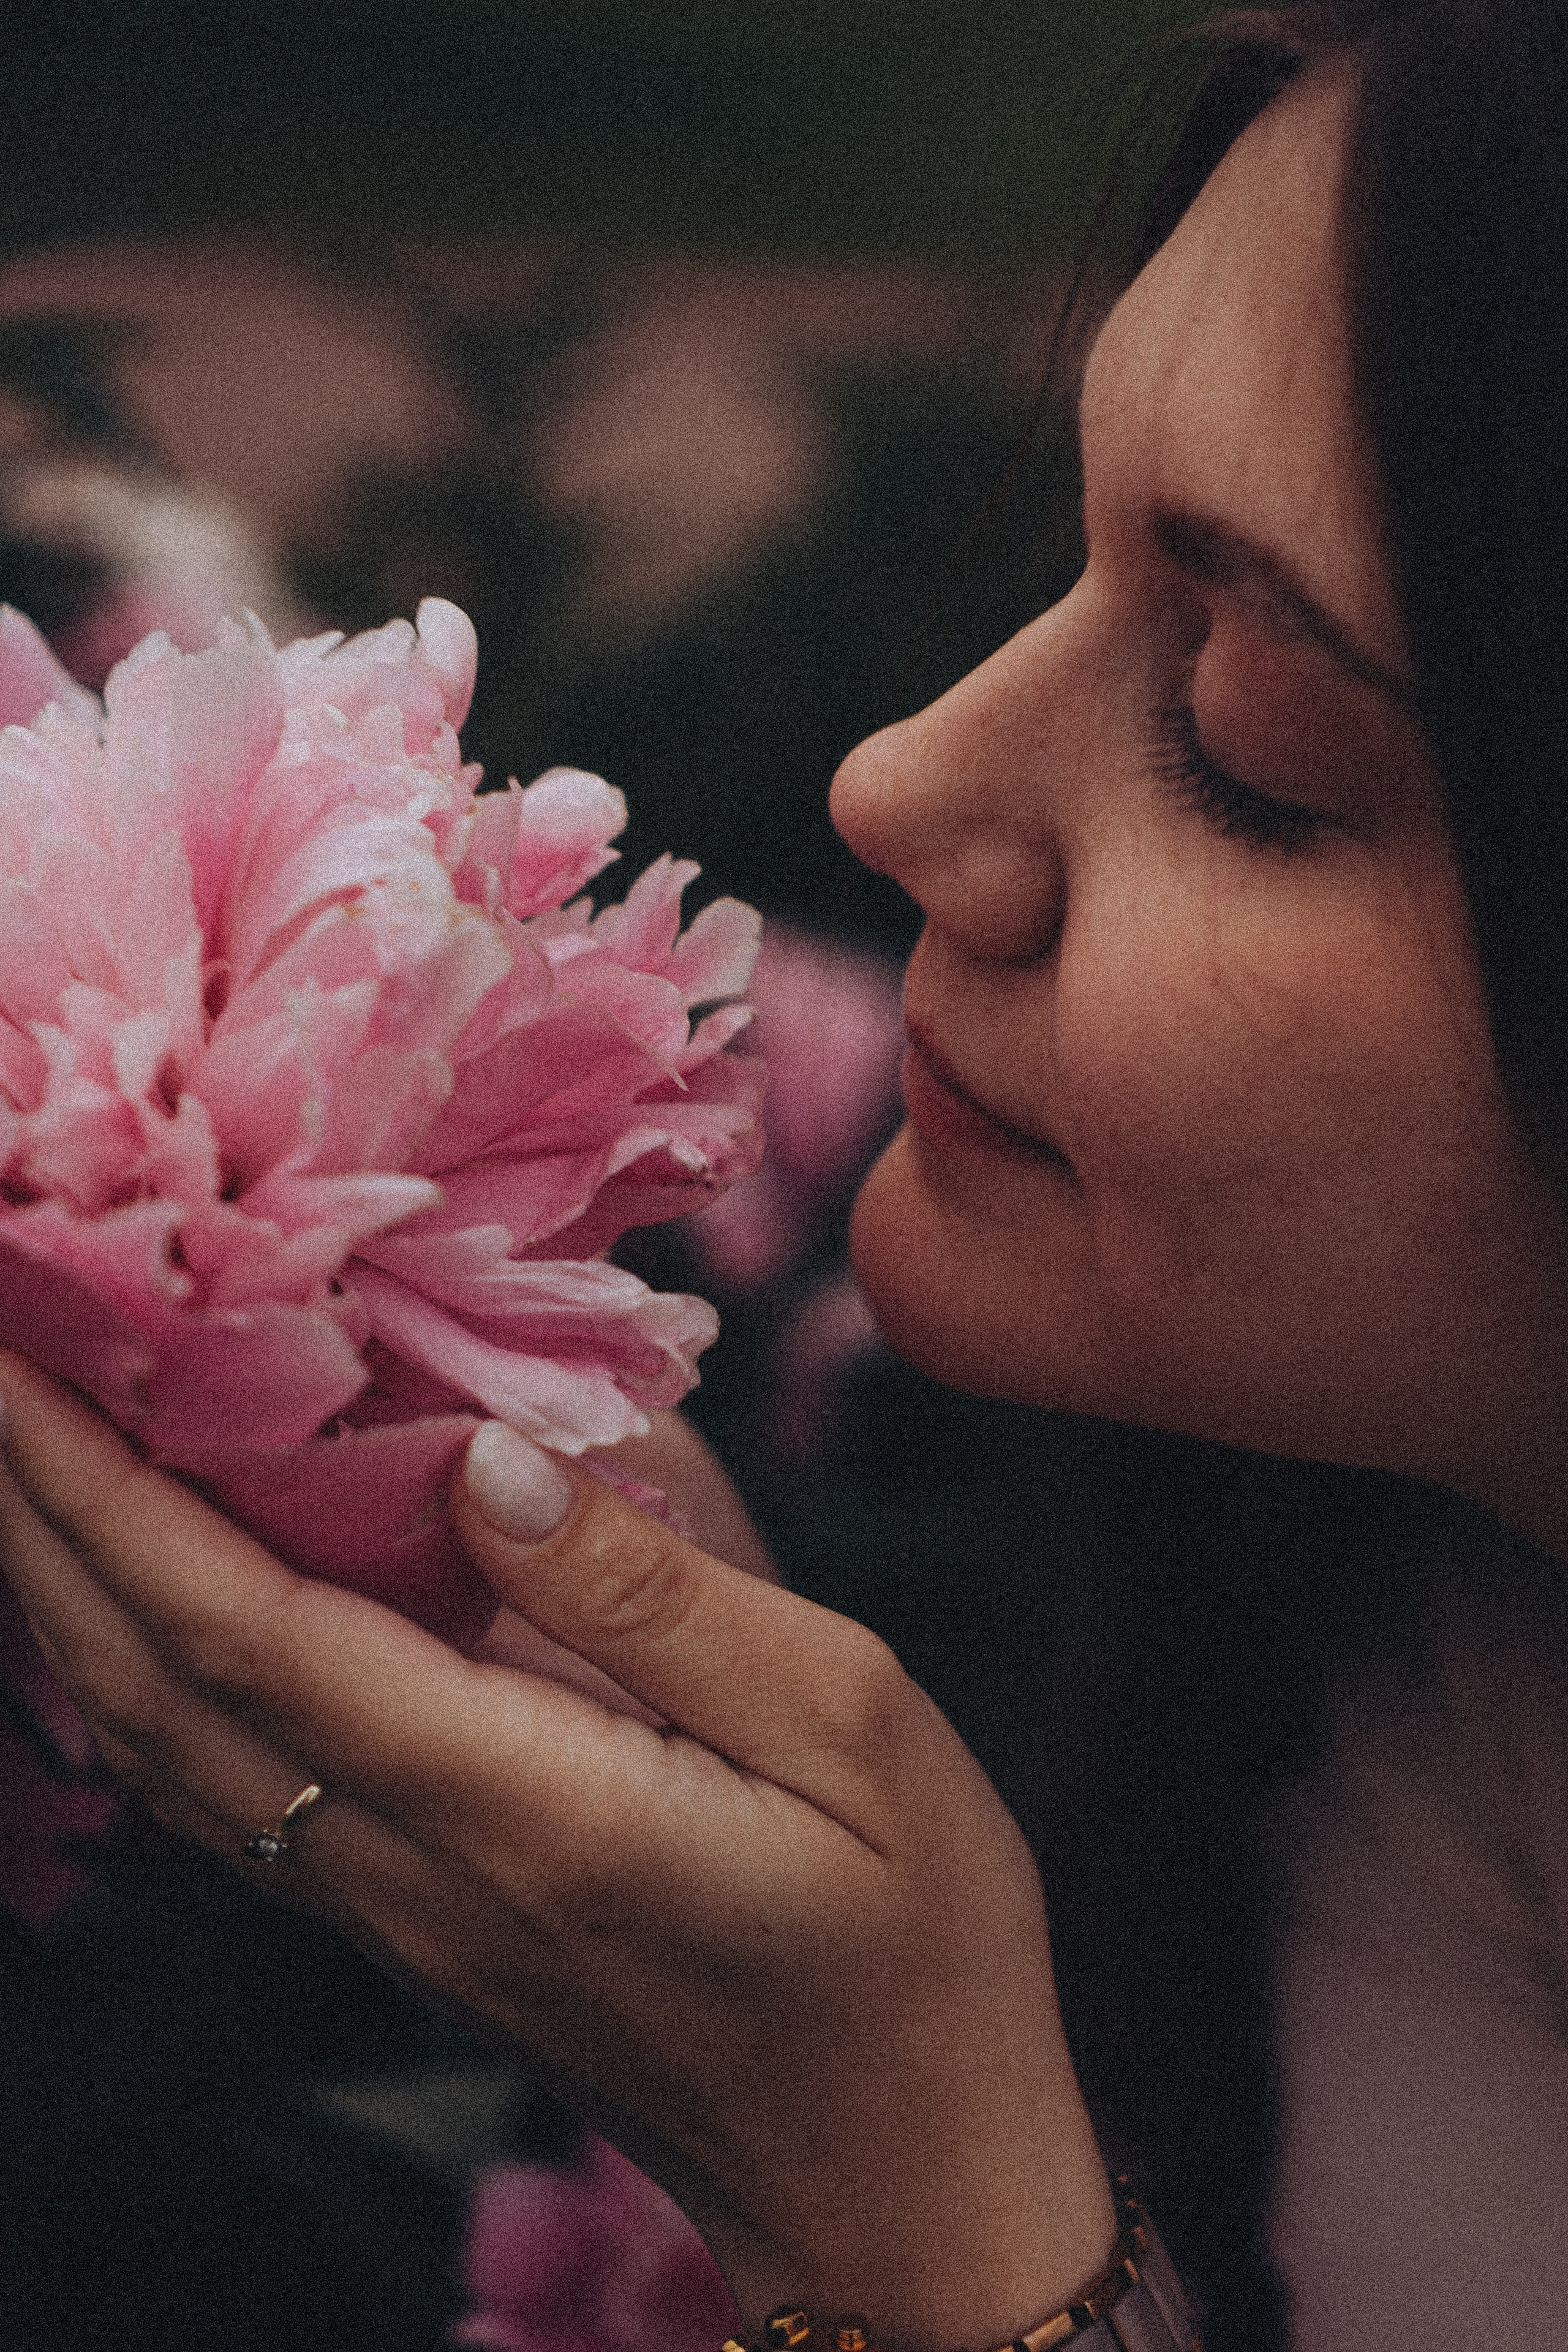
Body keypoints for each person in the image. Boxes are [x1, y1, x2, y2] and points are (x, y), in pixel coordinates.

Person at [5, 2, 1568, 2345]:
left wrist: (897, 2197)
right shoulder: (1362, 1614)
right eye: (1081, 557)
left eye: (1252, 740)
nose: (896, 784)